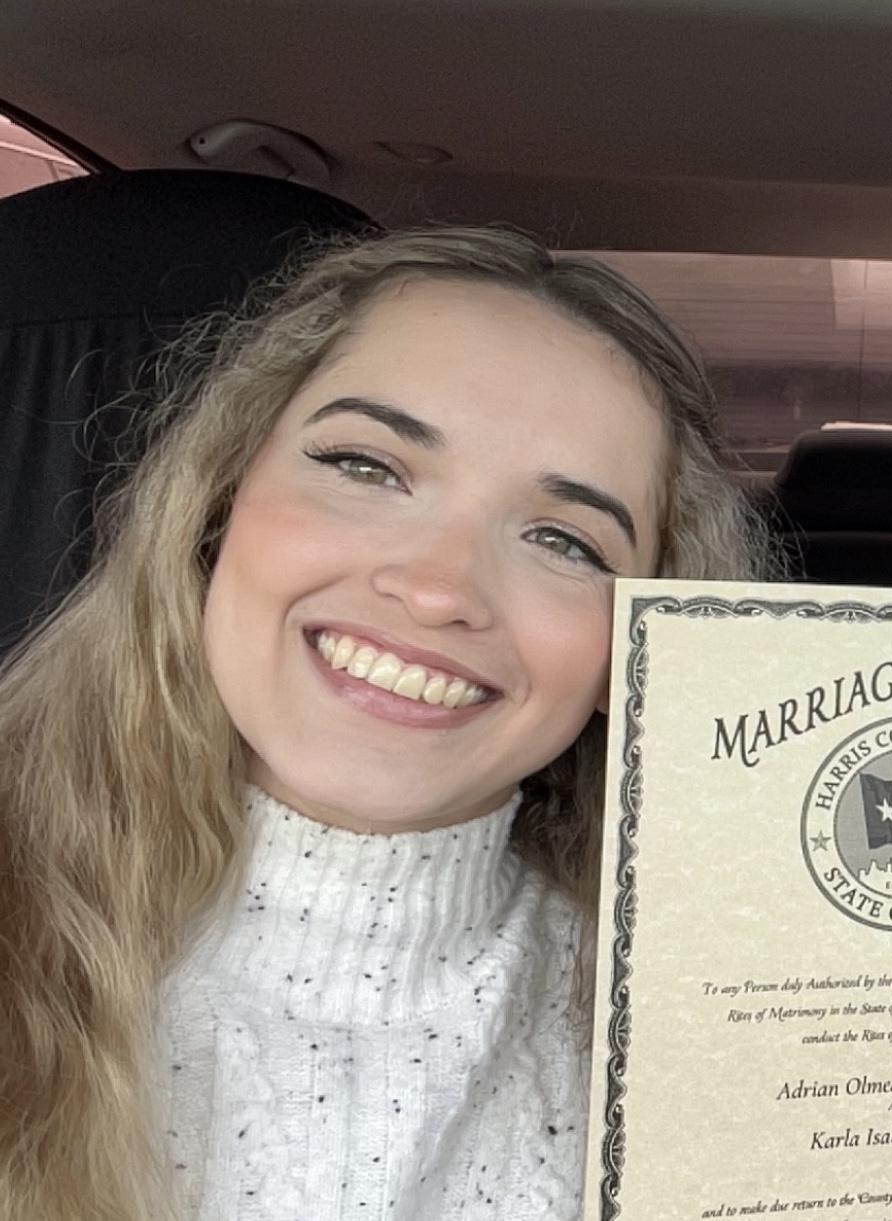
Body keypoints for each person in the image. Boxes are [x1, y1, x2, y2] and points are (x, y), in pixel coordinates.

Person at [0, 227, 775, 1220]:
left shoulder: (725, 1033)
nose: (439, 588)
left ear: (641, 645)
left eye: (564, 540)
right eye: (366, 467)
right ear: (218, 505)